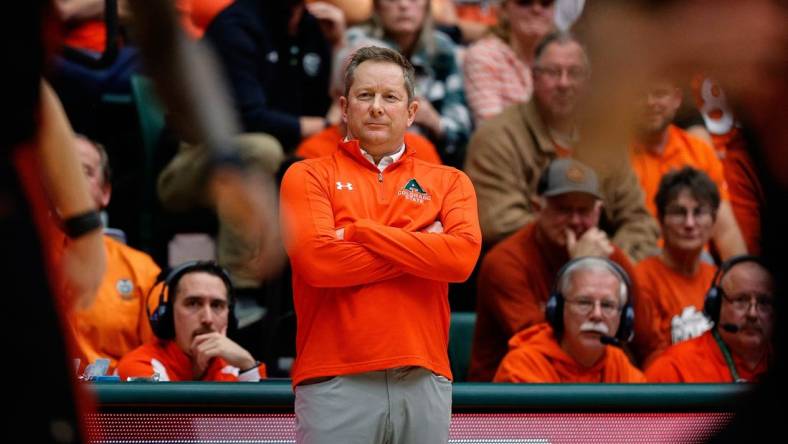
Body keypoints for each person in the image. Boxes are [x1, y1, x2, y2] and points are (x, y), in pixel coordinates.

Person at [280, 46, 481, 443]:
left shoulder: (450, 181)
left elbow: (460, 260)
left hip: (423, 377)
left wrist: (360, 232)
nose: (376, 107)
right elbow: (319, 263)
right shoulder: (306, 176)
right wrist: (423, 247)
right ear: (344, 106)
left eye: (390, 97)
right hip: (334, 380)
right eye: (365, 95)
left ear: (410, 111)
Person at [464, 31, 659, 260]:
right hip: (529, 266)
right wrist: (578, 248)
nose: (564, 83)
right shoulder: (497, 136)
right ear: (533, 77)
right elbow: (496, 222)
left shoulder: (605, 137)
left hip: (603, 273)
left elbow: (639, 220)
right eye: (553, 73)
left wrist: (604, 260)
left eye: (574, 73)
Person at [468, 158, 637, 381]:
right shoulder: (505, 261)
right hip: (512, 393)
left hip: (595, 382)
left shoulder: (611, 259)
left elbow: (645, 339)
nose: (575, 221)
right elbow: (539, 339)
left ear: (598, 213)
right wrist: (580, 268)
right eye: (564, 210)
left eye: (584, 210)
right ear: (537, 208)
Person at [70, 135, 162, 375]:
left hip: (114, 403)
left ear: (105, 193)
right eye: (62, 168)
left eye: (86, 171)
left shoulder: (142, 270)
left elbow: (160, 359)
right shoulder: (14, 259)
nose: (71, 179)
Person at [344, 0, 472, 167]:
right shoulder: (358, 41)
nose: (404, 5)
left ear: (426, 6)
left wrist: (434, 121)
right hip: (370, 157)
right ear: (376, 6)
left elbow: (461, 131)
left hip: (437, 161)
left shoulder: (442, 48)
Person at [629, 80, 747, 259]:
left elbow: (725, 231)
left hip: (694, 263)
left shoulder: (698, 151)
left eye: (659, 93)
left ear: (677, 99)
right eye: (639, 94)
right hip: (638, 262)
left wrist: (741, 274)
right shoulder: (614, 156)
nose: (650, 102)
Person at [201, 0, 337, 151]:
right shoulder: (236, 26)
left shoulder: (314, 23)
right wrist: (325, 126)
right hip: (226, 142)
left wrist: (337, 44)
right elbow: (247, 117)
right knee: (265, 149)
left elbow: (327, 100)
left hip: (297, 140)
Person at [494, 256, 645, 383]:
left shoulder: (622, 369)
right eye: (584, 302)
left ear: (624, 317)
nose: (597, 315)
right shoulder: (523, 366)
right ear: (558, 309)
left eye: (607, 305)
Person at [117, 261, 265, 381]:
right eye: (193, 303)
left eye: (217, 305)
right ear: (167, 314)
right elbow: (165, 417)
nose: (207, 319)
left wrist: (248, 366)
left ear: (230, 317)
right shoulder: (139, 366)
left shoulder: (236, 368)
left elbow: (263, 417)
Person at [631, 167, 721, 366]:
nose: (689, 223)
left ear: (713, 220)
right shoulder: (643, 278)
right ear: (661, 221)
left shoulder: (720, 280)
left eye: (698, 212)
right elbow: (651, 358)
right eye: (679, 213)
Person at [646, 255, 773, 383]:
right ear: (716, 305)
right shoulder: (674, 367)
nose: (753, 314)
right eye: (741, 300)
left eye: (764, 302)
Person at [463, 0, 555, 122]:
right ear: (504, 9)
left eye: (546, 3)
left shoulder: (564, 59)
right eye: (525, 3)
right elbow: (493, 130)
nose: (536, 9)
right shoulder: (485, 56)